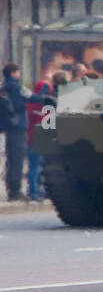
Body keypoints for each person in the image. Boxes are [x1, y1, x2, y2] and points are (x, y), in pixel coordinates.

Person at [2, 63, 32, 201]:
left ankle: (10, 188)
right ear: (13, 73)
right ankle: (16, 191)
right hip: (18, 125)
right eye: (18, 72)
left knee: (10, 157)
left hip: (8, 126)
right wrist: (44, 96)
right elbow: (31, 97)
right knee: (18, 159)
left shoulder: (3, 87)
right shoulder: (17, 86)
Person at [25, 79, 54, 201]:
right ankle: (35, 191)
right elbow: (50, 125)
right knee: (39, 166)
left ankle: (32, 189)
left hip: (30, 137)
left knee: (33, 166)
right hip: (42, 138)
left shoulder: (30, 103)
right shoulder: (48, 106)